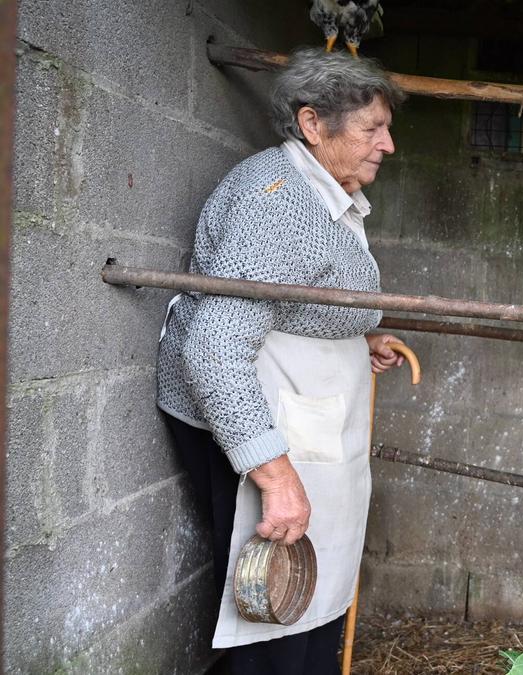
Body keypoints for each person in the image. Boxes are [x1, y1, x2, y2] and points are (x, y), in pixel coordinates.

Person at [156, 48, 408, 673]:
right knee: (271, 601)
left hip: (296, 414)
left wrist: (355, 336)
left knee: (301, 596)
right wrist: (275, 477)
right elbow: (214, 348)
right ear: (313, 123)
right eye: (372, 129)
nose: (389, 145)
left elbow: (291, 300)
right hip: (256, 426)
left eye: (387, 128)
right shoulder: (278, 201)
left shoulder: (321, 191)